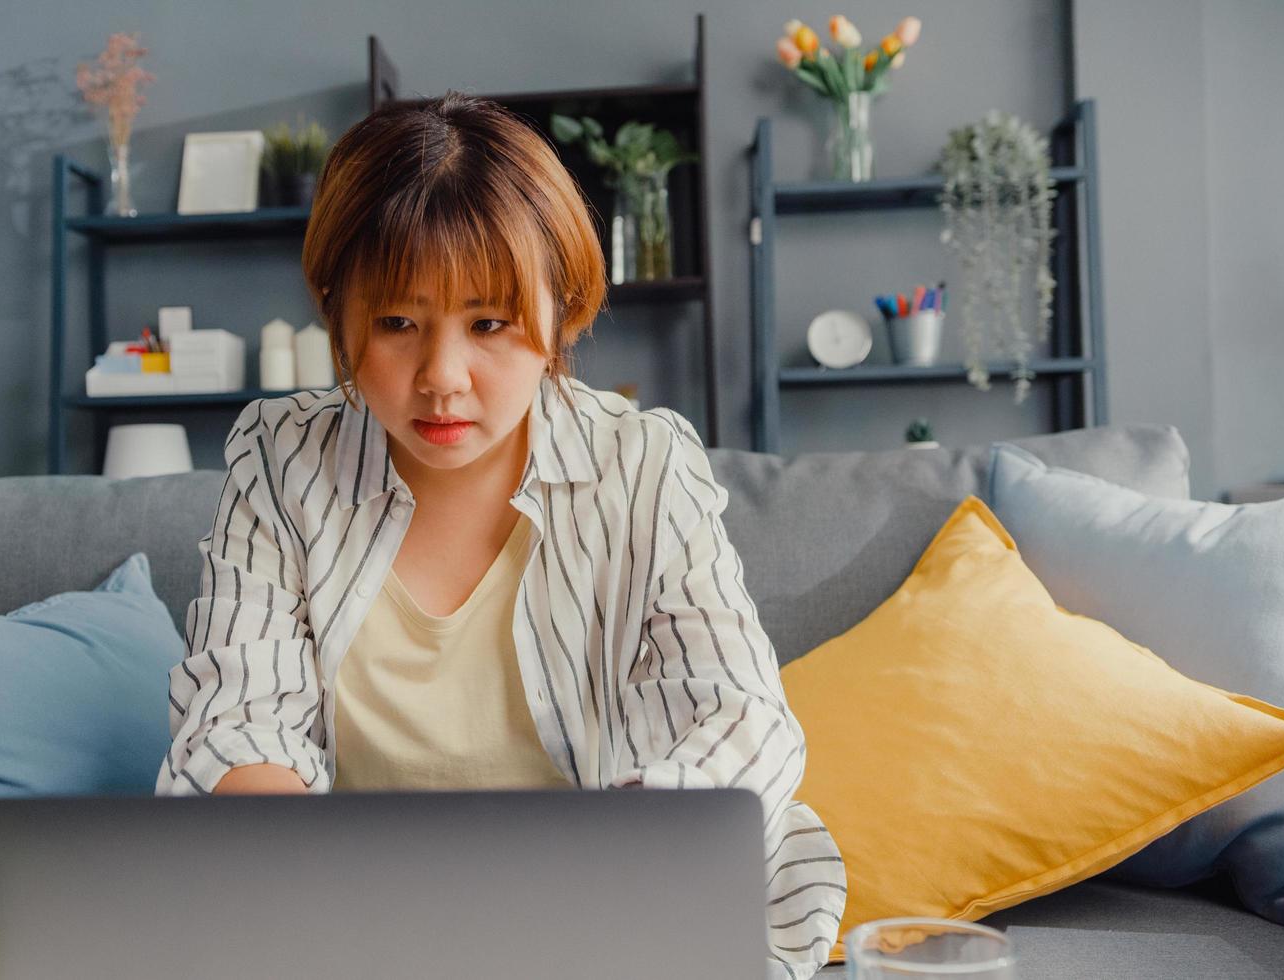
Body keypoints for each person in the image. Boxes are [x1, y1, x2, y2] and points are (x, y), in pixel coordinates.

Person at [157, 90, 845, 978]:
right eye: (397, 323)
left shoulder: (640, 463)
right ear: (338, 311)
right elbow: (237, 719)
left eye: (489, 323)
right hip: (347, 922)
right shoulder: (283, 459)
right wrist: (303, 891)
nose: (442, 378)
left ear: (561, 311)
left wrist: (605, 879)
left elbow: (733, 716)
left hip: (608, 911)